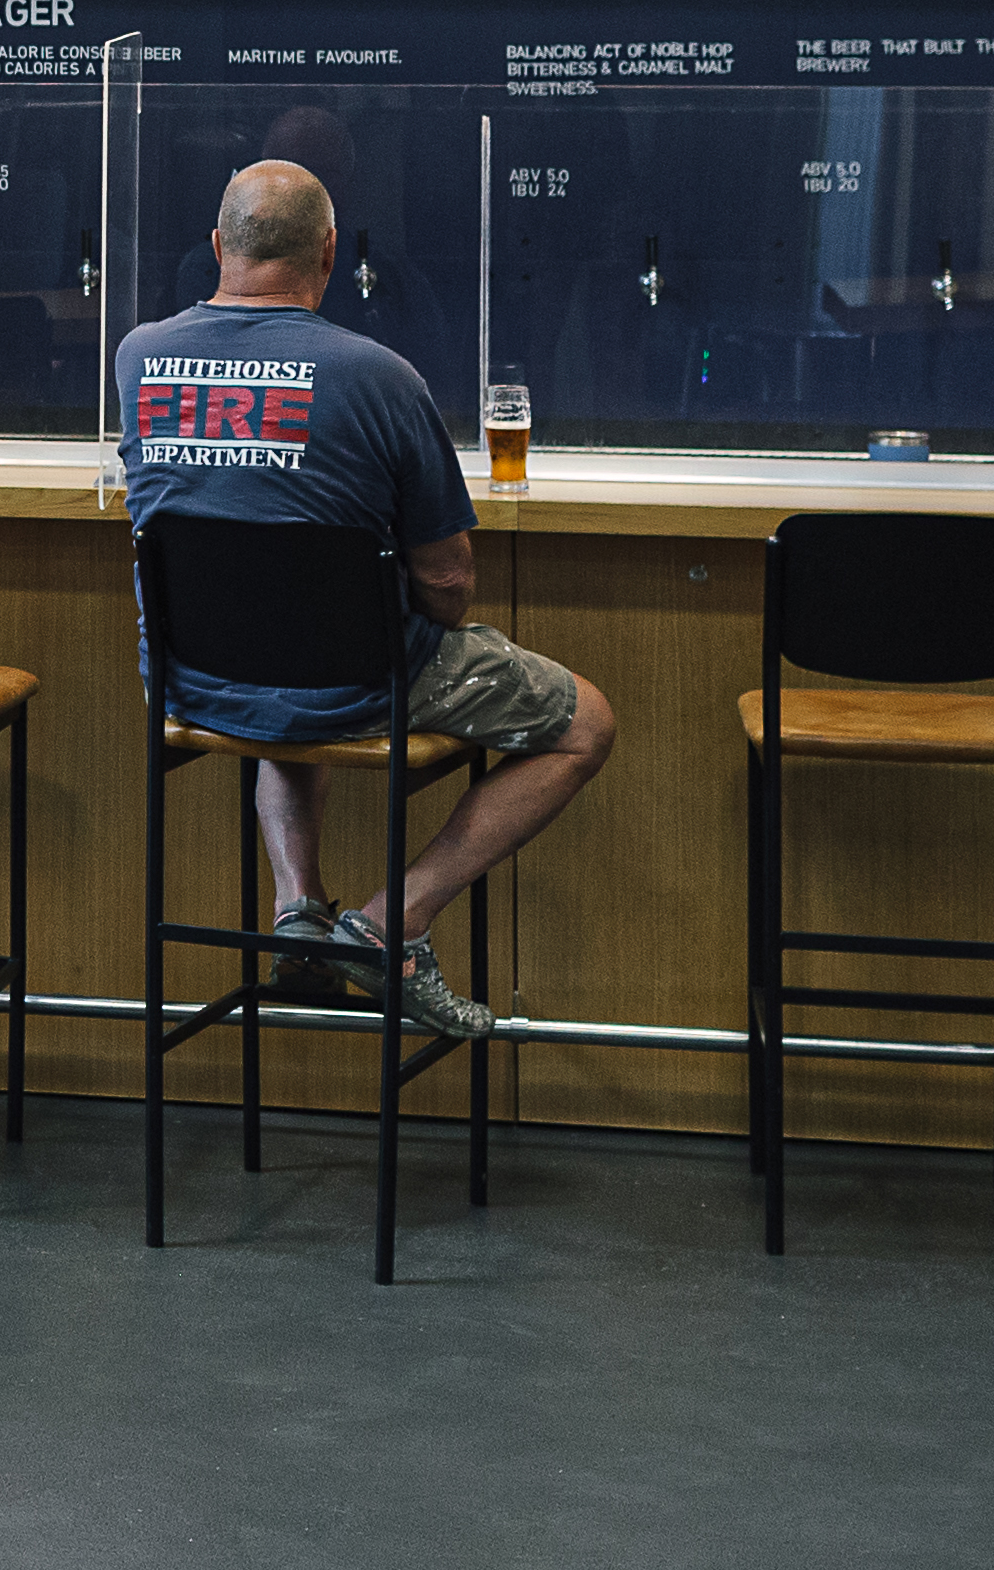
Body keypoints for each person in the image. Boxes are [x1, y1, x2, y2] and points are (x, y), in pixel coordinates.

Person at [108, 157, 617, 1039]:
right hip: (356, 680)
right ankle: (389, 925)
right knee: (586, 724)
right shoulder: (379, 376)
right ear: (330, 253)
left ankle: (298, 908)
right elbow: (449, 581)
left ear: (219, 245)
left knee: (282, 651)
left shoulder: (140, 356)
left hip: (195, 676)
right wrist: (438, 619)